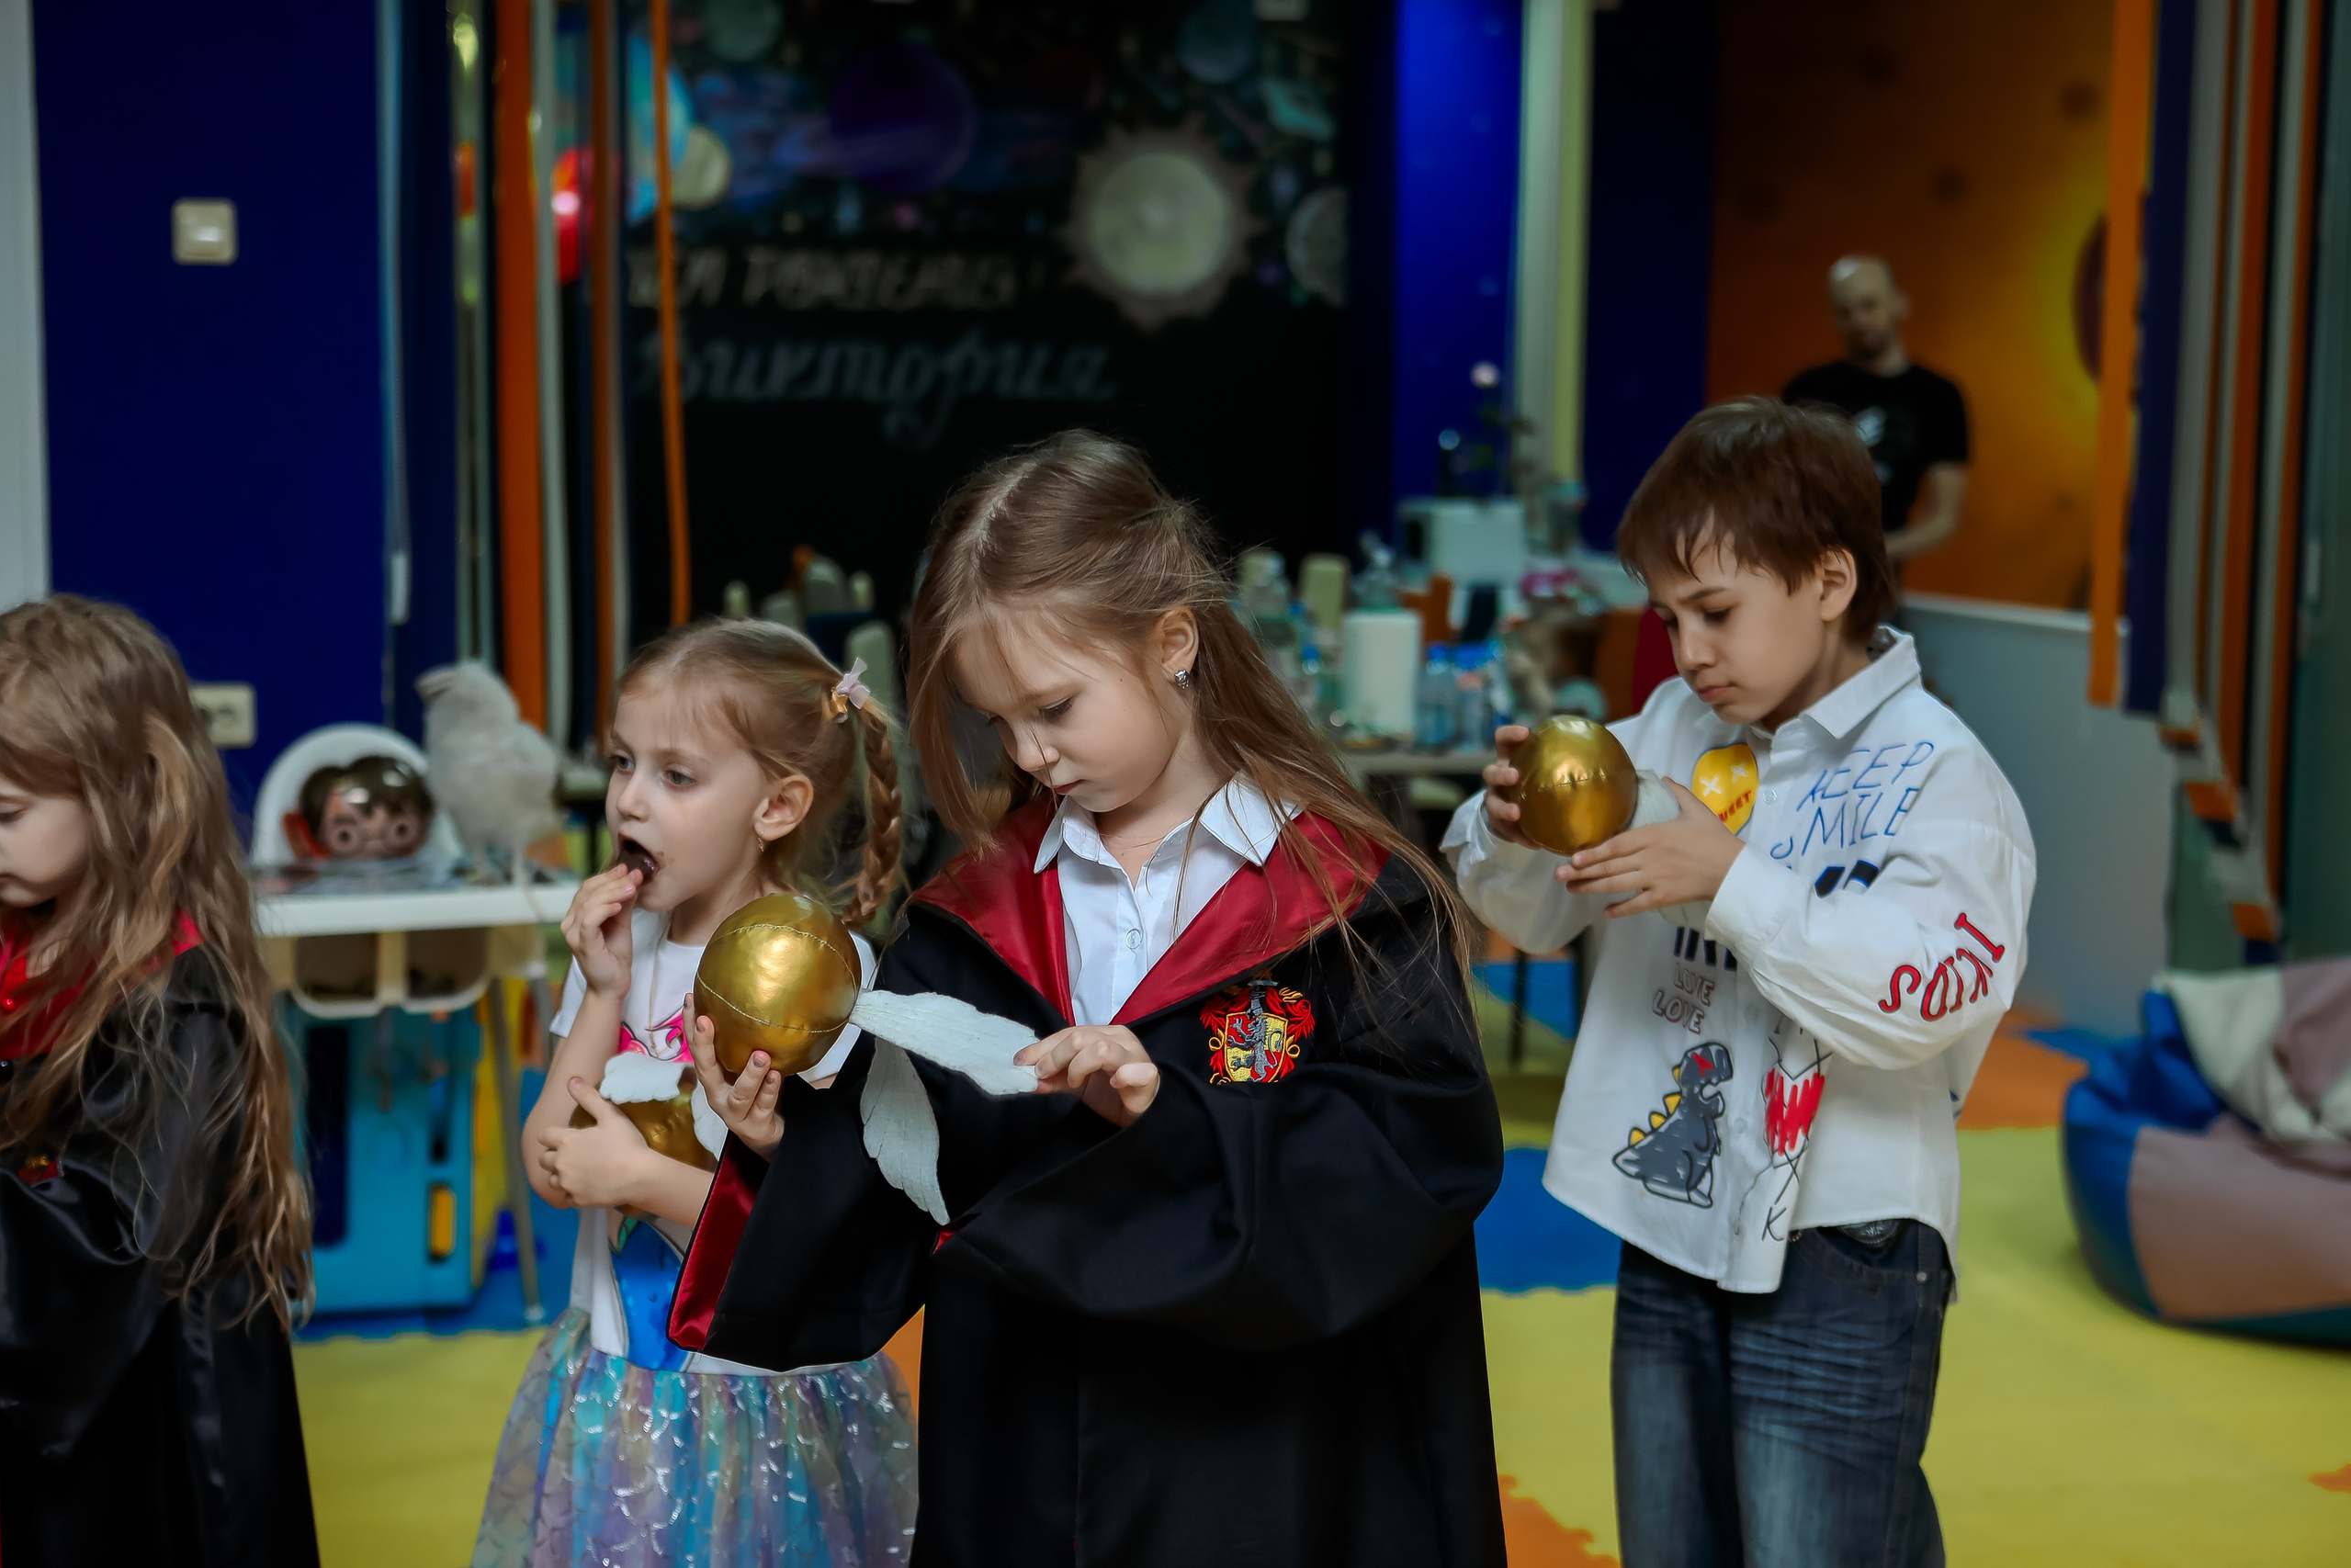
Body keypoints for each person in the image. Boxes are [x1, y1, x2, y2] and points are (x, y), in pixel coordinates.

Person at [674, 431, 1508, 1568]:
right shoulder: (977, 913)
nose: (1029, 751)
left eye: (1055, 708)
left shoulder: (1350, 904)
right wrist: (788, 1134)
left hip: (1265, 1454)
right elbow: (911, 1172)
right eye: (999, 721)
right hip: (1030, 1445)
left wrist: (1174, 1113)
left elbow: (1412, 1162)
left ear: (1173, 642)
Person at [1444, 399, 2034, 1567]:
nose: (1687, 653)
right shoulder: (1668, 729)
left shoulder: (1940, 775)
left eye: (1715, 612)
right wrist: (1507, 828)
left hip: (1847, 1241)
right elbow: (1529, 909)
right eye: (1668, 619)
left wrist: (1733, 880)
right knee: (1673, 1542)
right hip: (1671, 1220)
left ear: (1827, 581)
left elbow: (1922, 1000)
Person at [471, 621, 918, 1566]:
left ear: (777, 805)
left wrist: (641, 1179)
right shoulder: (614, 957)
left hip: (757, 1401)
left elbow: (821, 1230)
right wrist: (598, 991)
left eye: (677, 777)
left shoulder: (821, 977)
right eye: (624, 763)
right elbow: (551, 1167)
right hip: (619, 1390)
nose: (630, 800)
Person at [0, 595, 318, 1566]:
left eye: (7, 813)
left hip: (148, 1420)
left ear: (126, 791)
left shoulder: (177, 1004)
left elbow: (105, 1247)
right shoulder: (22, 942)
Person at [1782, 255, 1970, 565]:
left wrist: (1863, 555)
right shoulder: (1806, 389)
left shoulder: (1939, 396)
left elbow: (1944, 518)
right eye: (1845, 311)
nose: (1858, 321)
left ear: (1899, 303)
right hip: (1799, 566)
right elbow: (1775, 487)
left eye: (1869, 305)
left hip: (1880, 581)